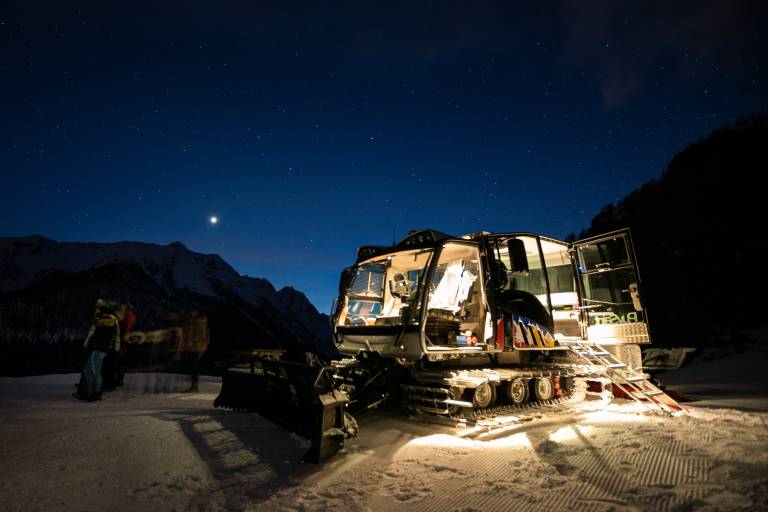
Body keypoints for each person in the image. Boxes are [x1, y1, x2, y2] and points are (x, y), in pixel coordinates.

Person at [76, 299, 121, 402]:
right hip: (98, 349)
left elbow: (102, 337)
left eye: (97, 309)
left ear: (101, 310)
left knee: (96, 372)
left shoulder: (105, 321)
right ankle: (92, 392)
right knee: (88, 371)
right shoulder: (102, 320)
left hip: (99, 349)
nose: (95, 310)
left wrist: (92, 344)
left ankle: (95, 393)